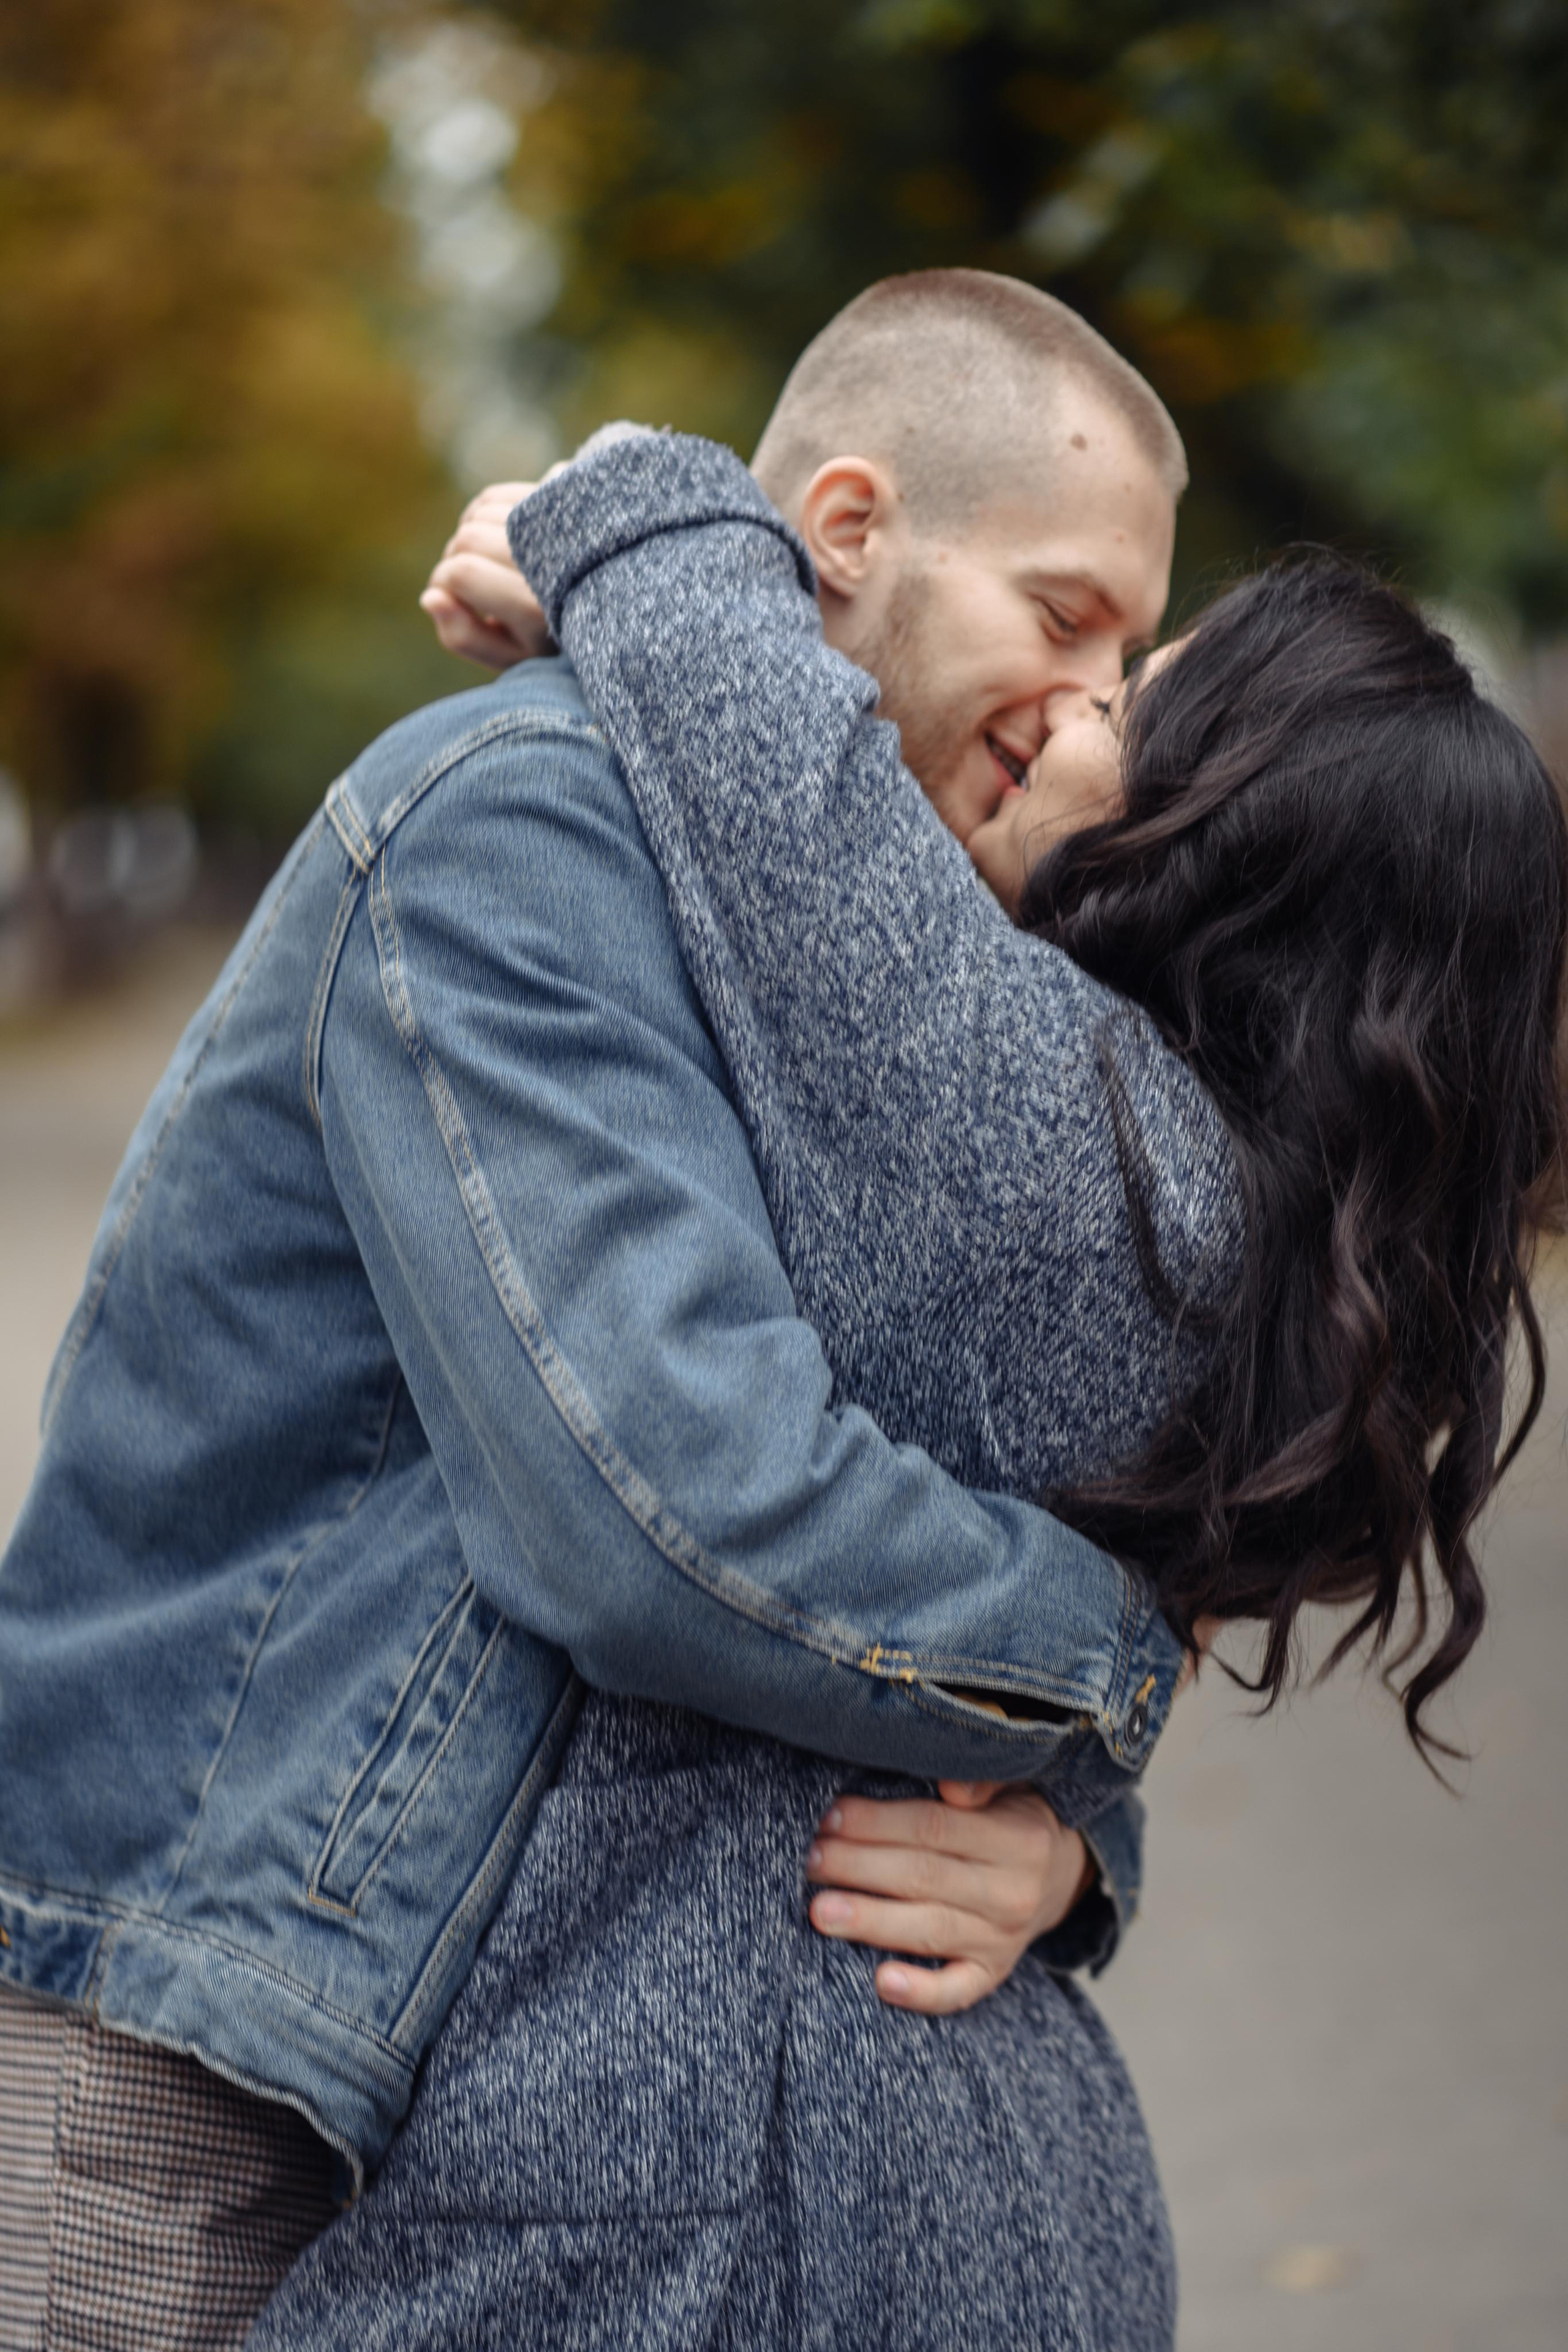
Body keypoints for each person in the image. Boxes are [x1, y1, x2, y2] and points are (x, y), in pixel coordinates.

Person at [249, 292, 1567, 2345]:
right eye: (1085, 637)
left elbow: (786, 802)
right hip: (991, 2176)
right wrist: (1083, 1813)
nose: (1070, 708)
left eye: (1142, 692)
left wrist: (626, 513)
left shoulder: (1053, 1128)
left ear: (1237, 850)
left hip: (739, 2205)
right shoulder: (1278, 1239)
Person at [0, 276, 1199, 2349]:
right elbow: (680, 1512)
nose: (1094, 703)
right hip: (187, 2037)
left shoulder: (824, 940)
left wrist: (1069, 1840)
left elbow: (950, 1430)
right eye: (1066, 614)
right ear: (845, 530)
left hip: (455, 2036)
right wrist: (1112, 1678)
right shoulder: (527, 820)